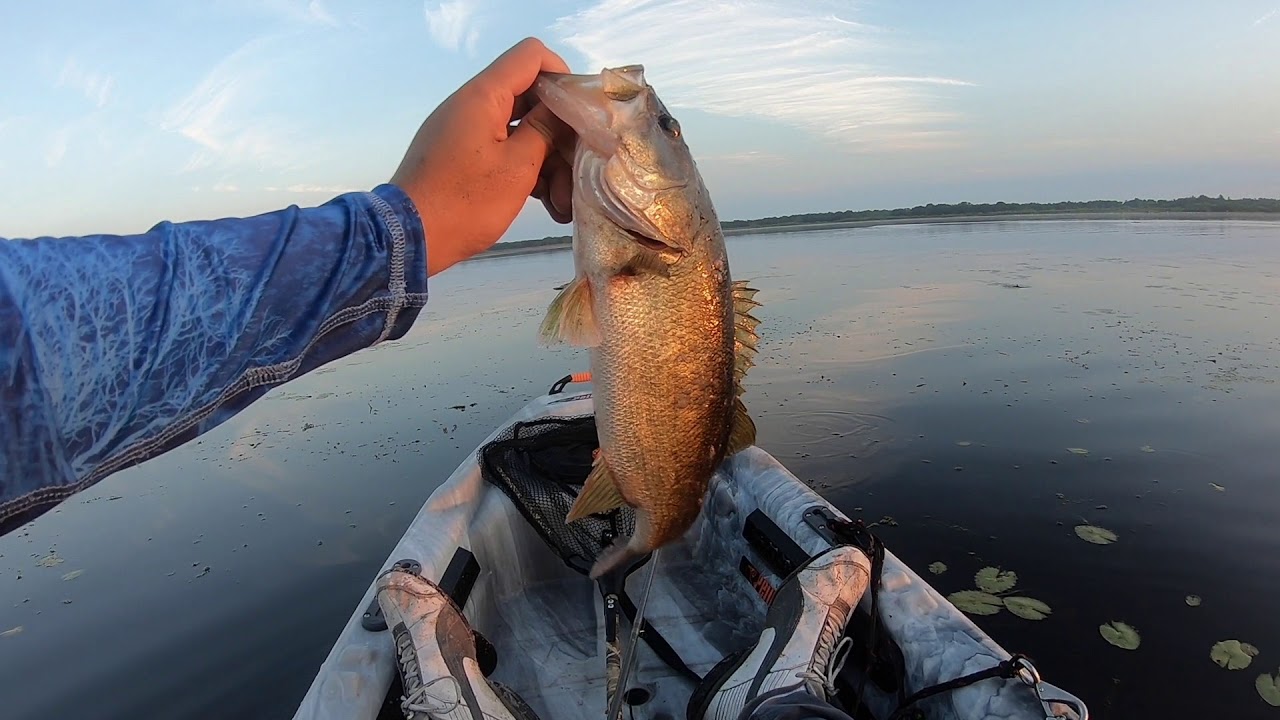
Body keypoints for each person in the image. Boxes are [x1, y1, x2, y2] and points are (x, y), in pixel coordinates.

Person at [0, 36, 867, 720]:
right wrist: (404, 225)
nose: (650, 120)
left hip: (640, 434)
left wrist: (408, 222)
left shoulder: (657, 254)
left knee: (649, 489)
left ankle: (643, 540)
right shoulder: (644, 245)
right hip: (620, 399)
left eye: (665, 132)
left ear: (681, 211)